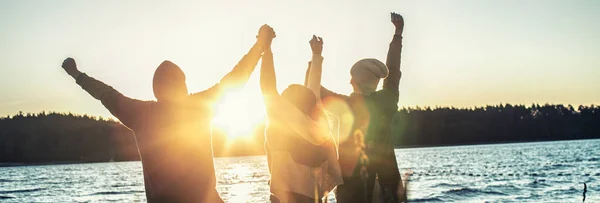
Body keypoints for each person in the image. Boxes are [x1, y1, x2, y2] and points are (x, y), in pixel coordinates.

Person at [59, 25, 275, 203]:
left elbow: (105, 94)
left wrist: (77, 74)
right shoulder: (198, 106)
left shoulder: (140, 114)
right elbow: (236, 78)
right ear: (183, 86)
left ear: (156, 90)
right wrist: (259, 46)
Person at [305, 12, 406, 202]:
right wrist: (398, 34)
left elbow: (312, 91)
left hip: (353, 191)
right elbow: (393, 70)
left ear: (354, 81)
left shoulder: (346, 105)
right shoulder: (388, 99)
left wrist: (315, 58)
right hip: (389, 187)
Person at [260, 32, 343, 203]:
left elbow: (267, 86)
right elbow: (313, 92)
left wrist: (266, 50)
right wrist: (317, 56)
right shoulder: (319, 127)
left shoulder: (281, 125)